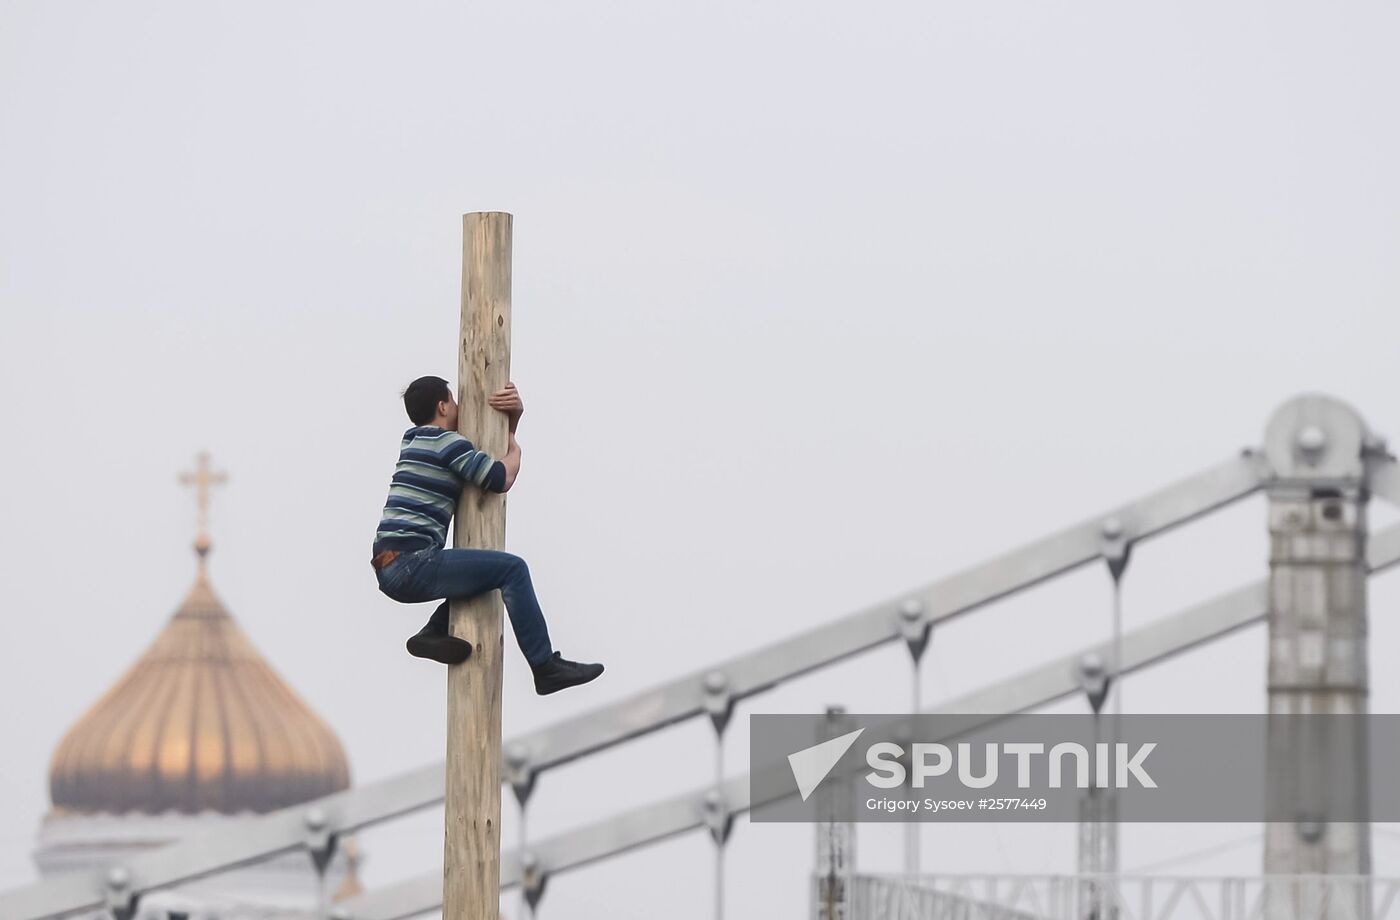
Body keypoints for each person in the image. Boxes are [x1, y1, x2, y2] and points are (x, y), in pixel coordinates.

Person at [370, 375, 604, 695]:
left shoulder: (413, 441)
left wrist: (511, 420)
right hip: (413, 561)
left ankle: (434, 629)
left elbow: (476, 451)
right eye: (453, 401)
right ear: (442, 405)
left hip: (392, 563)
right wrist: (515, 448)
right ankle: (545, 666)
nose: (459, 407)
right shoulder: (446, 443)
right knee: (512, 569)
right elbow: (498, 478)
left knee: (484, 575)